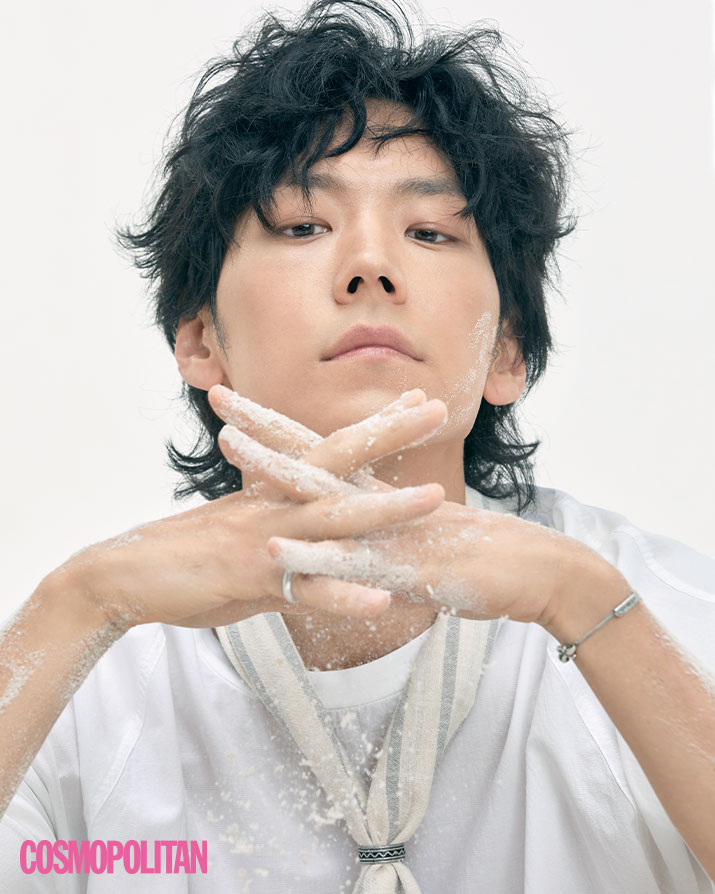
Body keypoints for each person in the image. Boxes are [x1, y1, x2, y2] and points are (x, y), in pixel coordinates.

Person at [0, 0, 713, 890]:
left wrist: (583, 604)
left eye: (430, 232)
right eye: (302, 226)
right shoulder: (86, 664)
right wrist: (81, 603)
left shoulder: (657, 611)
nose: (369, 265)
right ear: (200, 341)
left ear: (506, 352)